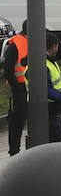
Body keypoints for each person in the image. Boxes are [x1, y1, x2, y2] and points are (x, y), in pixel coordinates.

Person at [30, 31, 61, 143]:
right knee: (58, 143)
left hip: (49, 109)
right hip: (48, 110)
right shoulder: (44, 64)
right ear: (53, 46)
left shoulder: (47, 61)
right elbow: (47, 91)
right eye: (57, 46)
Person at [2, 19, 27, 155]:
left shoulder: (33, 42)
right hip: (20, 90)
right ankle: (14, 151)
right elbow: (8, 70)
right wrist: (17, 88)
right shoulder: (15, 45)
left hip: (30, 88)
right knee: (17, 122)